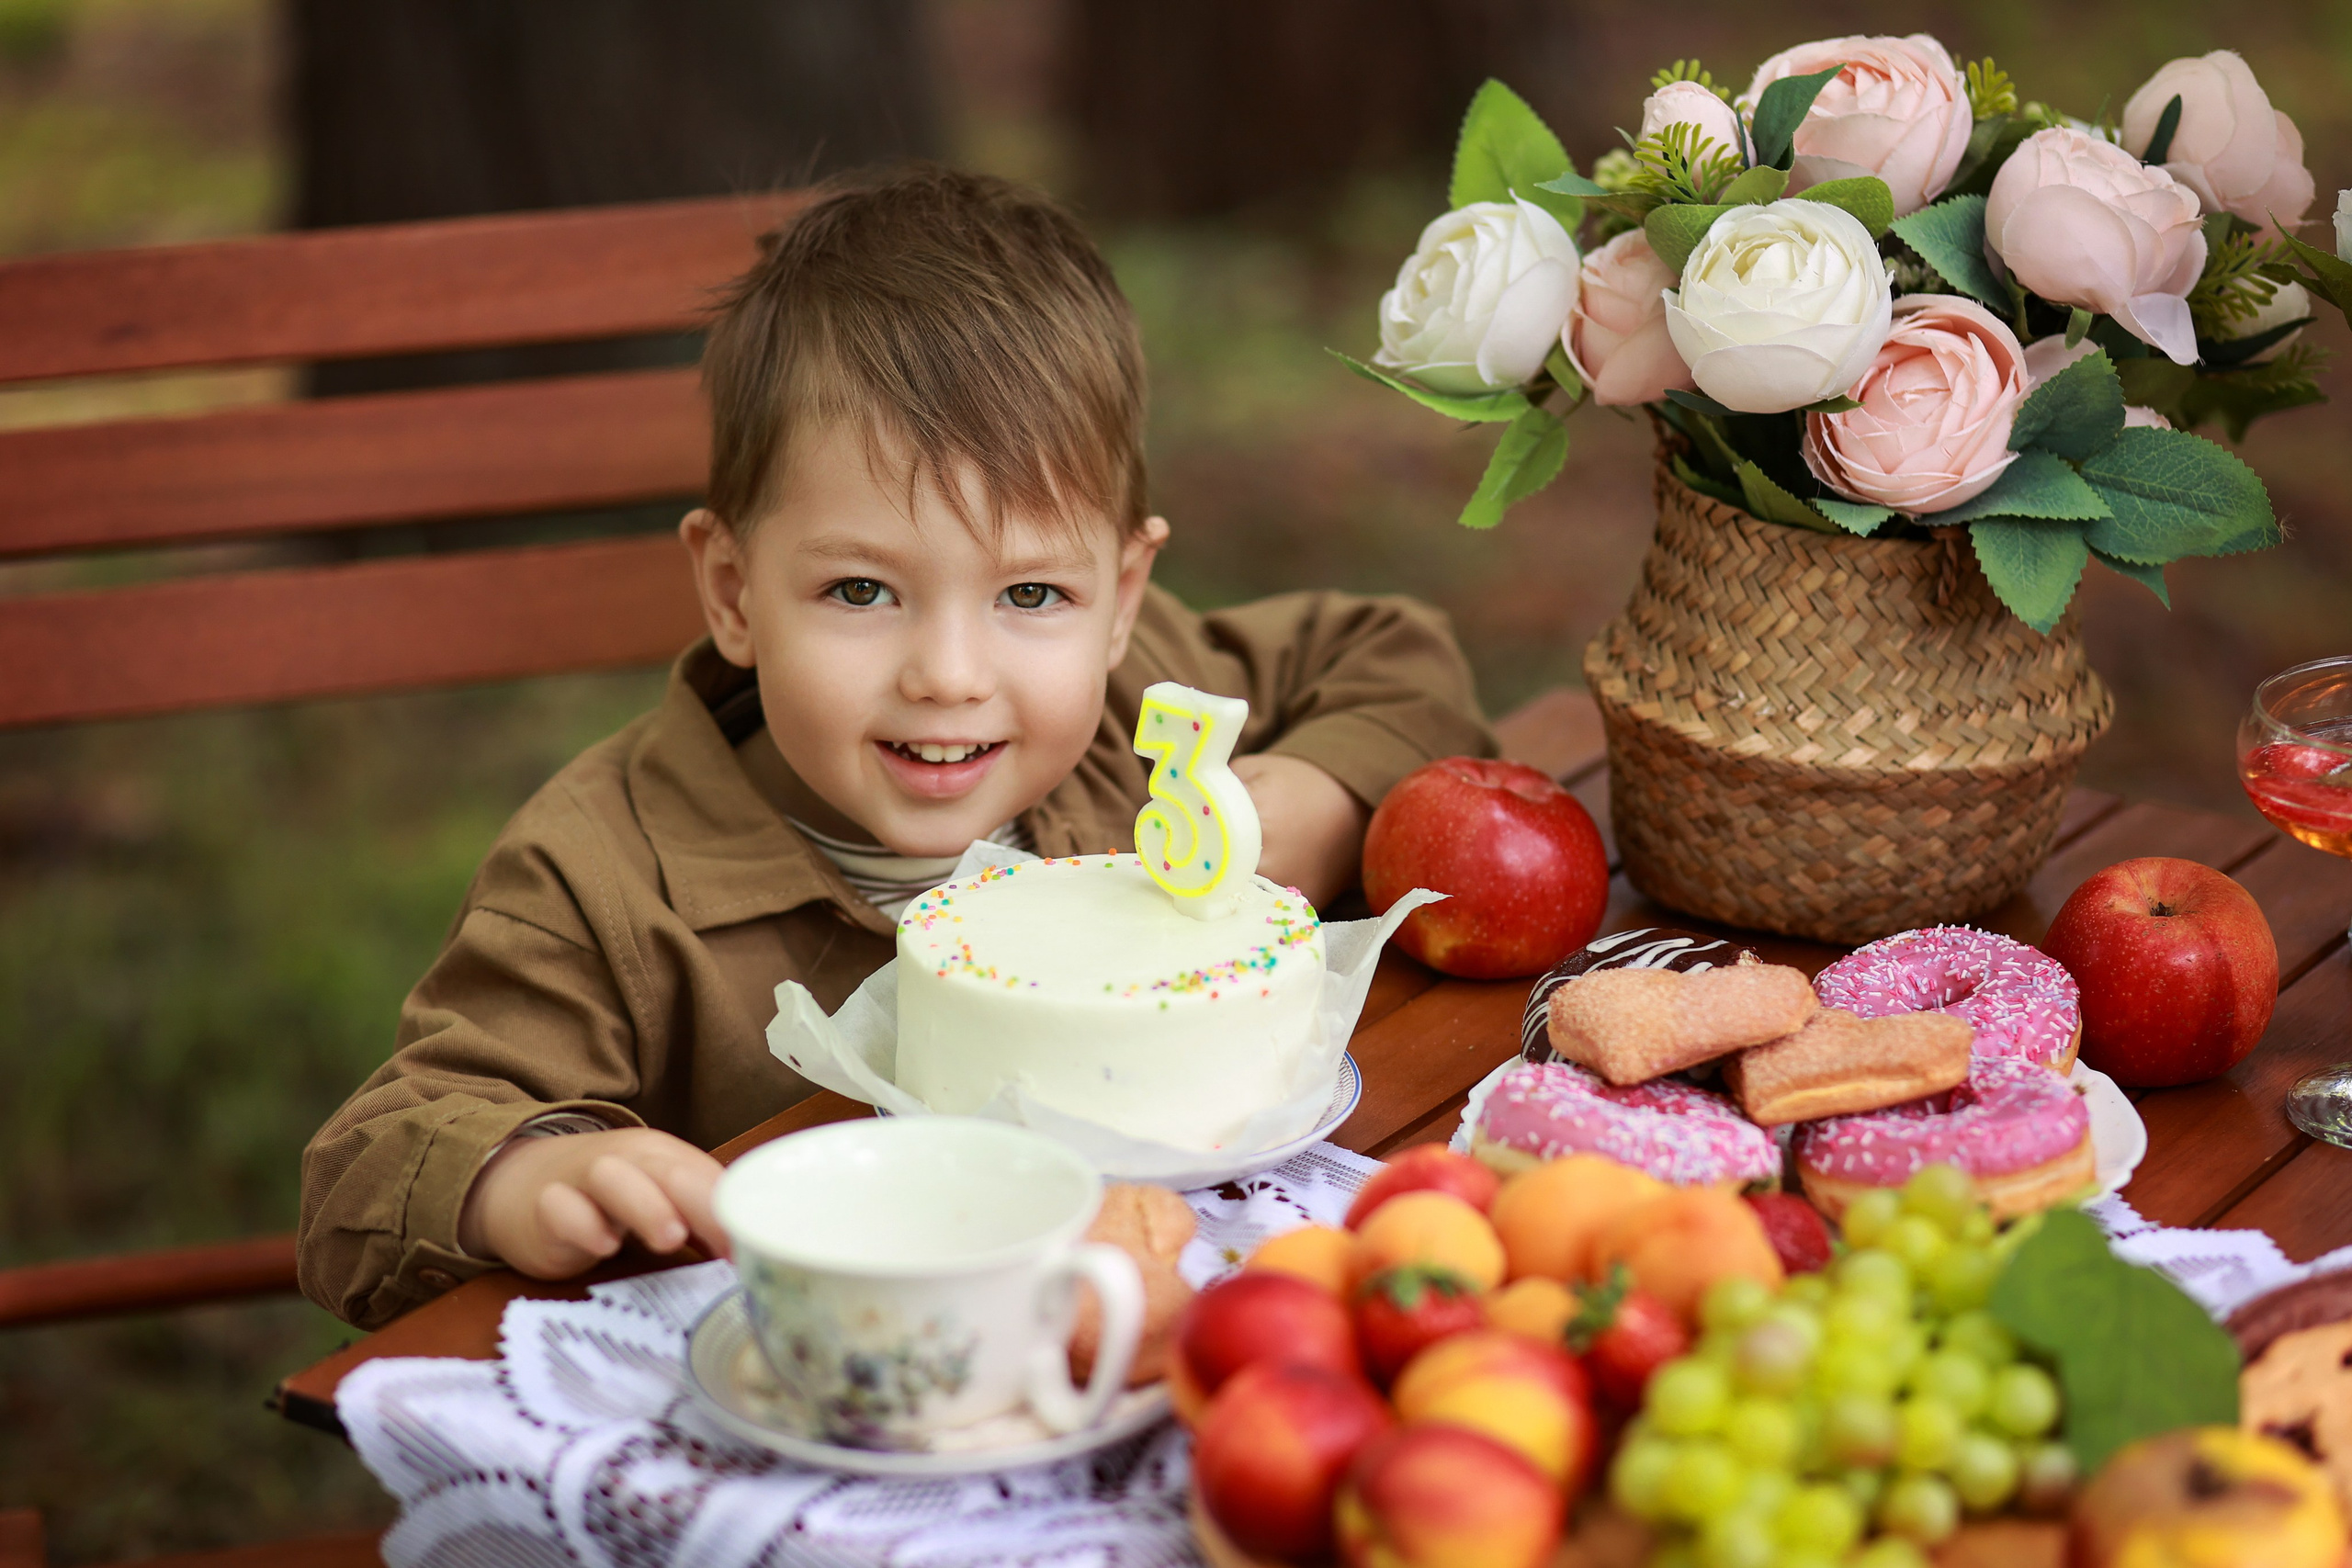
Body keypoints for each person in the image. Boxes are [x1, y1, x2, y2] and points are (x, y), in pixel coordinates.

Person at [298, 164, 1494, 1329]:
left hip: (1160, 1315)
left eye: (1031, 595)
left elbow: (1399, 654)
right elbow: (369, 1166)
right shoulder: (608, 872)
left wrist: (1322, 795)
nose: (952, 675)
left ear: (1123, 593)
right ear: (732, 591)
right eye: (863, 591)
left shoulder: (1136, 700)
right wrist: (521, 1175)